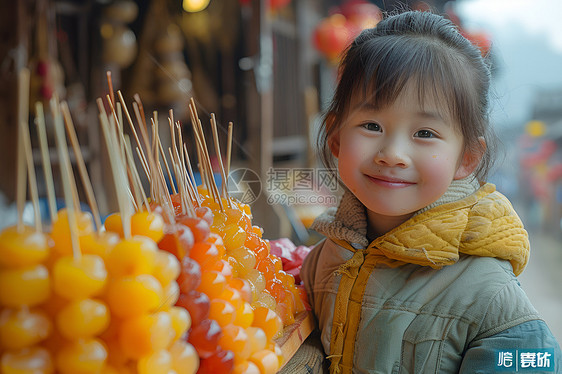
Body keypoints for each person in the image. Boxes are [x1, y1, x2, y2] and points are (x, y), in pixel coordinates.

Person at [301, 10, 562, 374]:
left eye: (424, 133)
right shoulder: (323, 261)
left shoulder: (492, 302)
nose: (392, 154)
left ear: (467, 157)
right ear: (336, 136)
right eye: (371, 125)